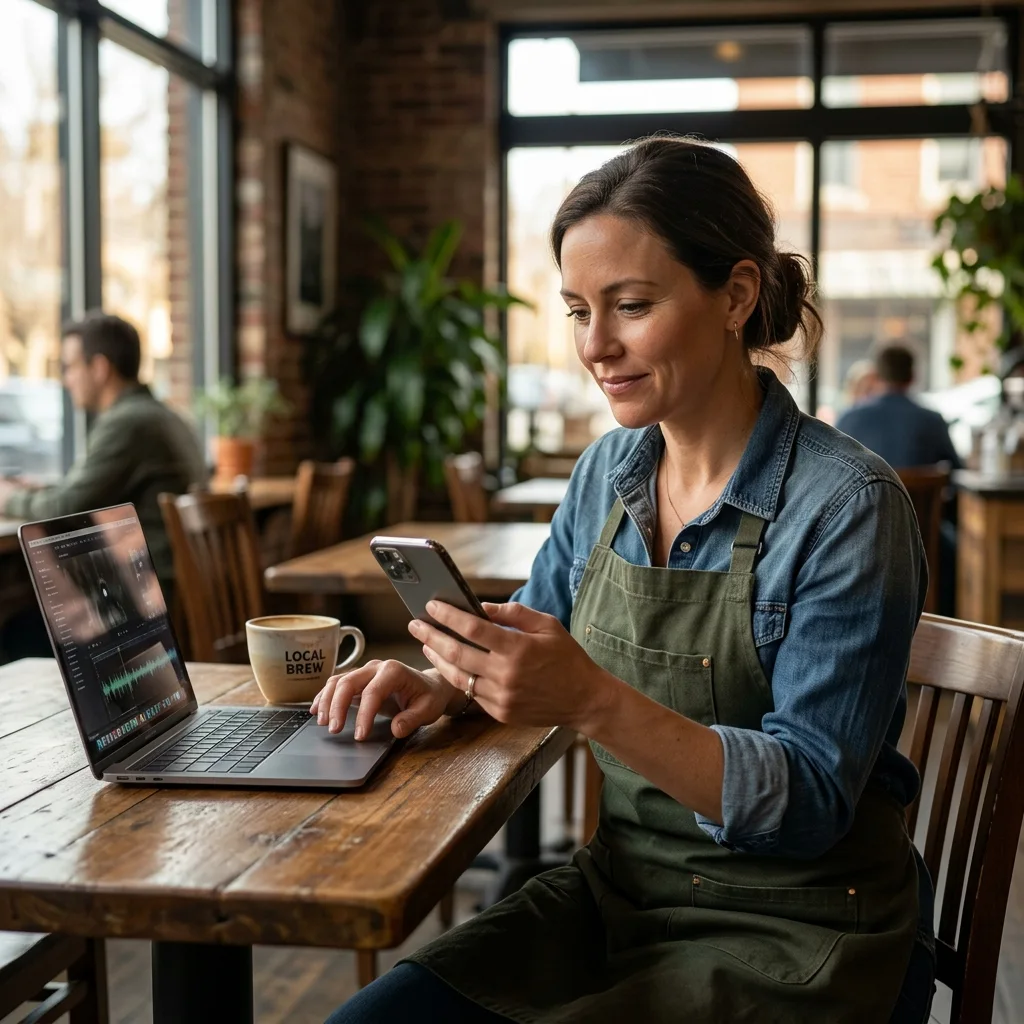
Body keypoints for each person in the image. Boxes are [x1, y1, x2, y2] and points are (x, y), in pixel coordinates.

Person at [316, 138, 934, 1023]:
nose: (596, 346)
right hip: (620, 894)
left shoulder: (847, 507)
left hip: (803, 930)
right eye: (576, 310)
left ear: (738, 295)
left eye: (632, 305)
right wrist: (437, 684)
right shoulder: (608, 470)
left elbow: (810, 802)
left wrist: (596, 702)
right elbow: (535, 627)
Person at [0, 312, 206, 596]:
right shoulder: (166, 416)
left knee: (15, 632)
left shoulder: (127, 424)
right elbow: (86, 492)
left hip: (148, 595)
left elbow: (65, 507)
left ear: (99, 368)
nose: (65, 380)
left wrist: (8, 498)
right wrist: (45, 489)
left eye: (69, 367)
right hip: (179, 585)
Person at [835, 345, 960, 470]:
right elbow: (956, 469)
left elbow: (834, 469)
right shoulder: (933, 421)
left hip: (868, 489)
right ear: (912, 376)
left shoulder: (850, 419)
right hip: (915, 491)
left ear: (876, 376)